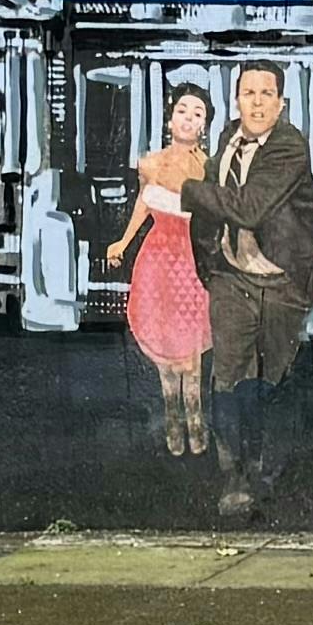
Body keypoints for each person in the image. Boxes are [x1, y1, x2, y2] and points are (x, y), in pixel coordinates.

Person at [191, 56, 313, 520]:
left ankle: (264, 472)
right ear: (236, 100)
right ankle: (234, 475)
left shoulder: (289, 147)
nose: (257, 103)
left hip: (281, 284)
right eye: (248, 93)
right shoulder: (227, 141)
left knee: (269, 379)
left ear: (281, 103)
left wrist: (185, 188)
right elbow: (211, 211)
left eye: (266, 94)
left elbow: (249, 208)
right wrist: (210, 265)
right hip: (232, 278)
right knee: (227, 375)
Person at [111, 85, 219, 456]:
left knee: (190, 350)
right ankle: (172, 415)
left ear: (204, 125)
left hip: (191, 261)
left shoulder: (209, 169)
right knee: (164, 345)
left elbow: (218, 217)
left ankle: (195, 417)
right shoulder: (150, 164)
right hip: (156, 261)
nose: (188, 119)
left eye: (197, 113)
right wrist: (123, 242)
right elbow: (143, 205)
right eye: (183, 111)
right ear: (170, 119)